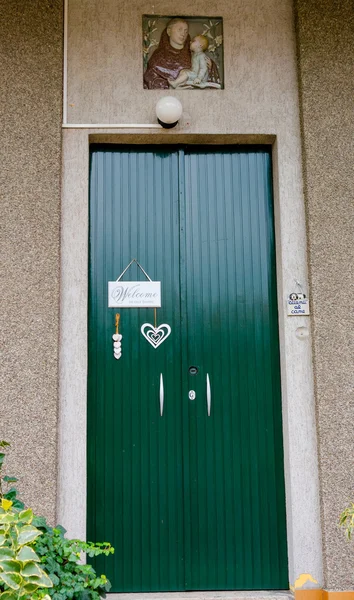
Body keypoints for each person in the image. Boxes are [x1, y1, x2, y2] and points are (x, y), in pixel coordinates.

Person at [143, 18, 191, 89]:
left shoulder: (192, 54)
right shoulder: (159, 56)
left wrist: (210, 66)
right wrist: (169, 87)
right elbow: (150, 78)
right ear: (169, 31)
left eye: (186, 31)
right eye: (179, 30)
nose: (183, 34)